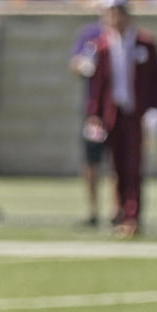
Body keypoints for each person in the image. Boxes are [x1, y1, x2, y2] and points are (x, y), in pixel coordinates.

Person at [86, 0, 157, 238]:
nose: (114, 17)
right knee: (117, 166)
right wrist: (94, 116)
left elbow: (156, 81)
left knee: (134, 166)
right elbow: (97, 86)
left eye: (118, 11)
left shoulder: (145, 43)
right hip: (113, 114)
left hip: (137, 113)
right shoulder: (103, 46)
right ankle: (121, 213)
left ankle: (133, 217)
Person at [69, 17, 105, 226]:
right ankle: (93, 210)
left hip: (118, 108)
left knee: (120, 158)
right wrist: (83, 65)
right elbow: (74, 64)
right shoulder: (90, 34)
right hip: (94, 110)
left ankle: (117, 210)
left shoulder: (126, 37)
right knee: (92, 158)